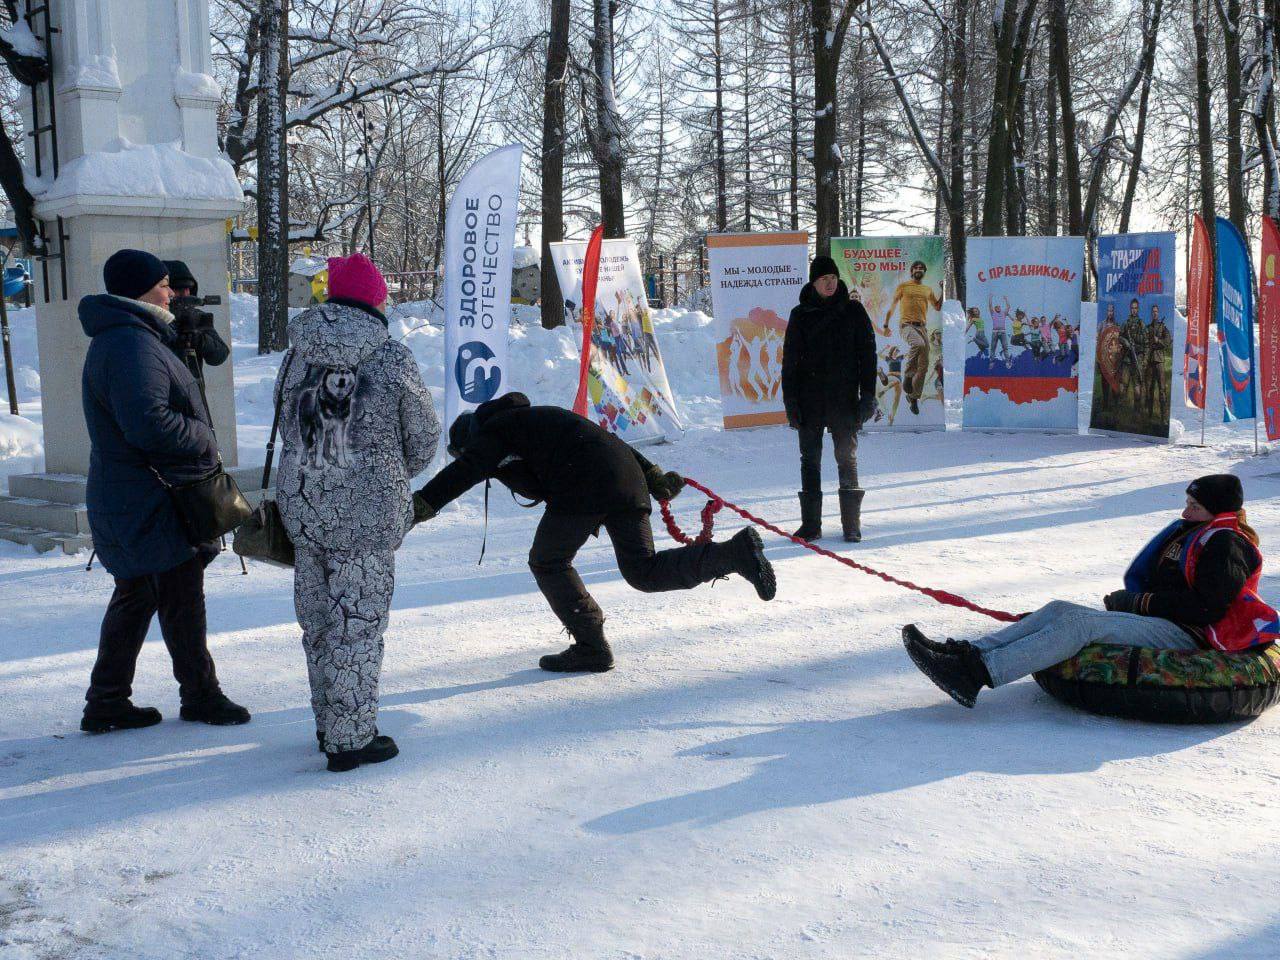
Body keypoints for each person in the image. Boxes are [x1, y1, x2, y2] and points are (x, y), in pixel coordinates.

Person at [413, 392, 776, 674]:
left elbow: (465, 471)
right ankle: (733, 553)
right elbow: (609, 439)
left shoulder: (494, 431)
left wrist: (420, 505)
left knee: (547, 561)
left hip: (583, 484)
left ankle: (591, 647)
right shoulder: (538, 418)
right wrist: (653, 478)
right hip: (624, 480)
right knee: (643, 571)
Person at [902, 475, 1278, 708]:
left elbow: (1208, 607)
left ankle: (975, 675)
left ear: (1215, 511)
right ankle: (971, 653)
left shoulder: (1227, 545)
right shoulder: (1197, 532)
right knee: (1058, 608)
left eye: (1194, 505)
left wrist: (1140, 603)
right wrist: (1133, 602)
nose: (1186, 510)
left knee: (1080, 626)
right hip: (1167, 618)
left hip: (1193, 634)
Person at [274, 252, 439, 772]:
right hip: (367, 515)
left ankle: (329, 722)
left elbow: (285, 425)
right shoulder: (391, 358)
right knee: (359, 625)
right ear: (376, 299)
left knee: (319, 621)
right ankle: (351, 739)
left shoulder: (296, 356)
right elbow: (424, 437)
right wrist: (388, 471)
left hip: (303, 507)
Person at [79, 249, 250, 733]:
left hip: (135, 494)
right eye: (162, 285)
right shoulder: (132, 344)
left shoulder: (134, 337)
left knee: (138, 594)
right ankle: (199, 694)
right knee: (180, 596)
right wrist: (202, 434)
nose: (171, 292)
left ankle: (107, 700)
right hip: (149, 496)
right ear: (139, 290)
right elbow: (149, 424)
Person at [782, 256, 877, 543]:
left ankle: (852, 525)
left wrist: (868, 396)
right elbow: (789, 363)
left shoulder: (854, 311)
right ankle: (811, 525)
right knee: (809, 460)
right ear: (814, 282)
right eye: (824, 279)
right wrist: (791, 403)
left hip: (843, 401)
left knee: (846, 459)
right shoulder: (800, 314)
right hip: (810, 402)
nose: (830, 283)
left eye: (833, 278)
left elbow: (868, 357)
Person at [881, 259, 942, 416]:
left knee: (924, 365)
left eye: (922, 268)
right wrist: (886, 325)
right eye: (916, 267)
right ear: (912, 271)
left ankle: (913, 397)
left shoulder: (927, 289)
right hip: (907, 325)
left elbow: (937, 306)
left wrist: (943, 290)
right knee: (919, 345)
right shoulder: (904, 287)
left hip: (922, 327)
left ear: (924, 272)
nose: (919, 269)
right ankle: (908, 375)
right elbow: (892, 306)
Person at [163, 259, 229, 383]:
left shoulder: (197, 317)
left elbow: (219, 356)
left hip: (193, 391)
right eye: (178, 289)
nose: (184, 294)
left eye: (188, 288)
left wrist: (200, 340)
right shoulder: (157, 317)